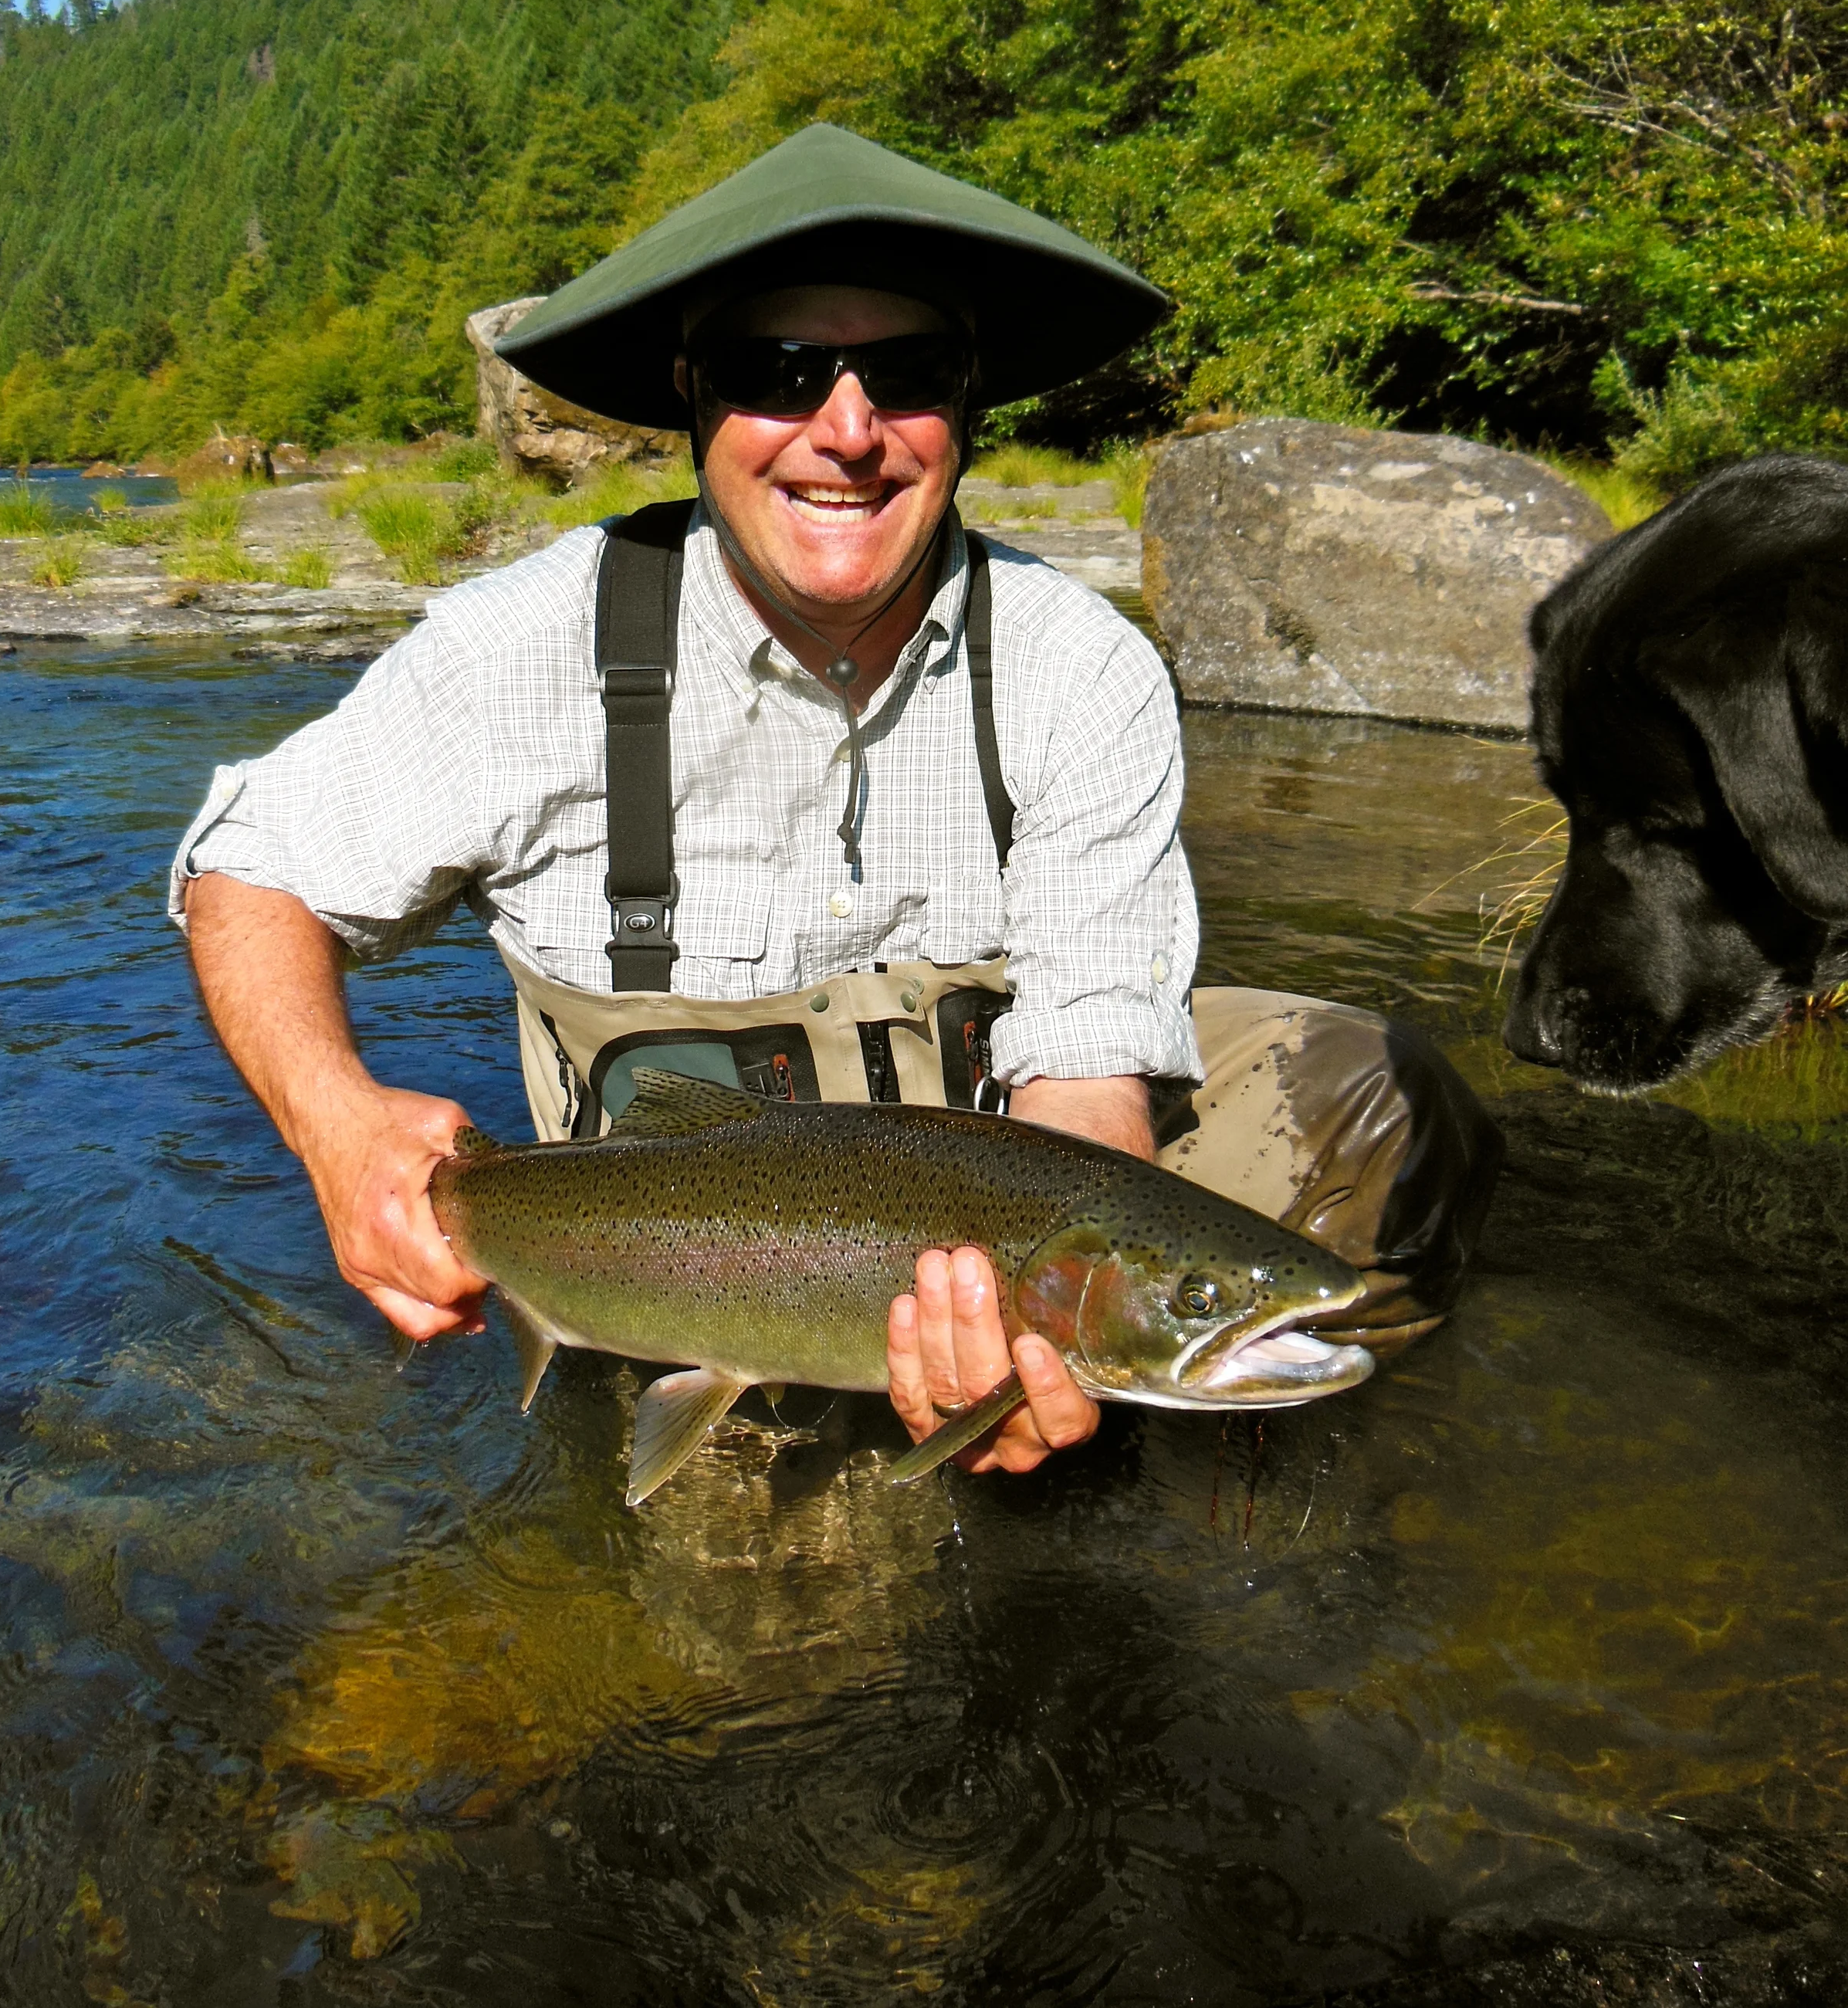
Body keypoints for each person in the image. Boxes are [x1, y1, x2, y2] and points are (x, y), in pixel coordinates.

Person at [172, 123, 1499, 1478]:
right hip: (676, 1267)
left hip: (986, 1217)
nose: (849, 432)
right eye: (781, 372)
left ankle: (1273, 1479)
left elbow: (1089, 1083)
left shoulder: (1079, 666)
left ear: (970, 403)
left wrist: (1030, 1344)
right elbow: (248, 866)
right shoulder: (523, 652)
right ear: (694, 397)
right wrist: (338, 1130)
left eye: (908, 375)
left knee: (1376, 1096)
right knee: (774, 1656)